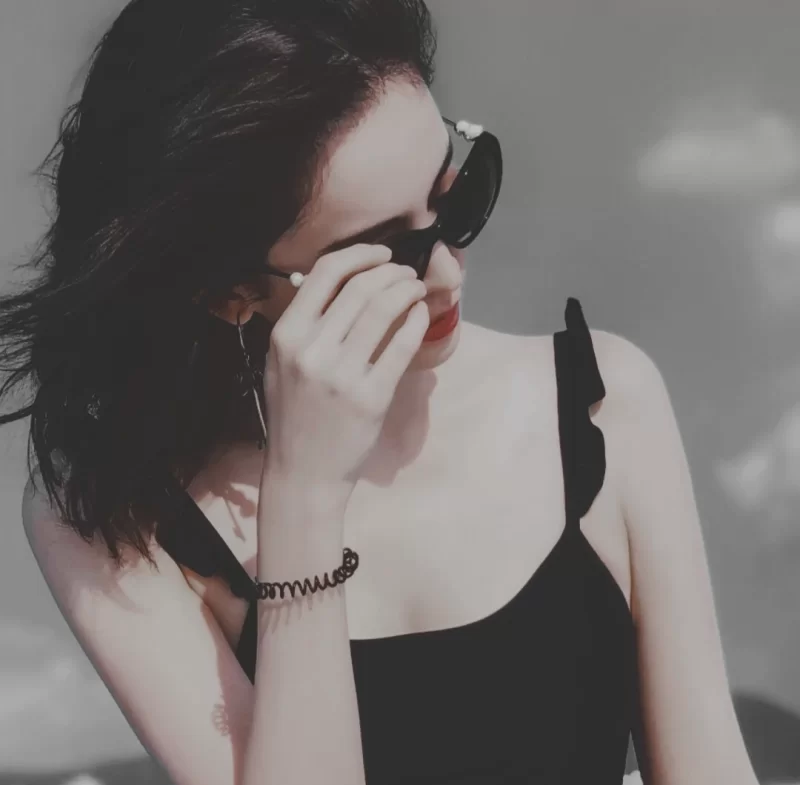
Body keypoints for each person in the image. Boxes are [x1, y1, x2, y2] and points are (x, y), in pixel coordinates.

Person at [0, 2, 760, 784]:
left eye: (457, 196)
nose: (448, 271)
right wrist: (304, 497)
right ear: (230, 291)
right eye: (390, 255)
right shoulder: (109, 516)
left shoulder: (603, 402)